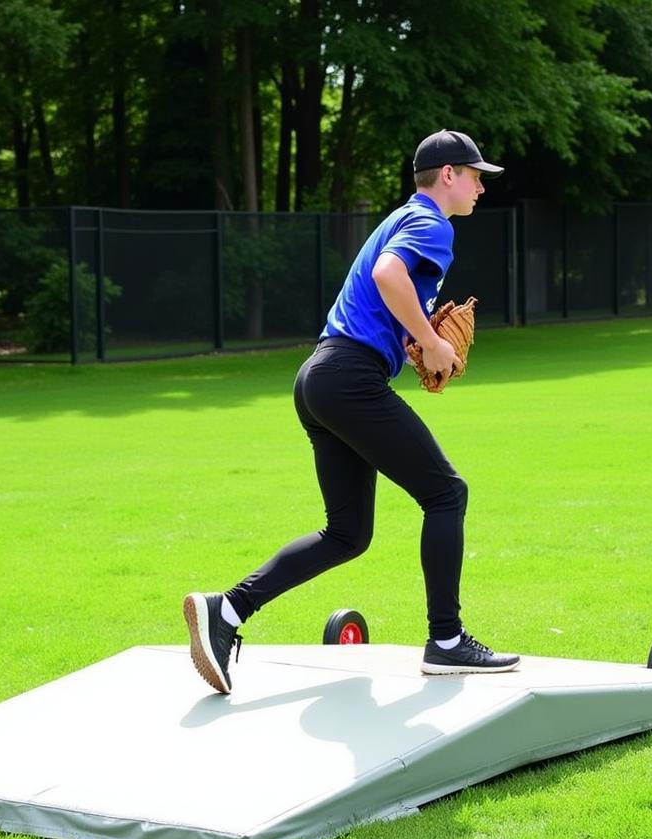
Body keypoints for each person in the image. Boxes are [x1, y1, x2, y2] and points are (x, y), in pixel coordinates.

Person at [184, 129, 520, 693]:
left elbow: (384, 286)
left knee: (346, 534)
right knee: (446, 493)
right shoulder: (433, 223)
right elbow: (389, 276)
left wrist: (409, 337)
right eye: (475, 175)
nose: (481, 187)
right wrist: (431, 342)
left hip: (319, 377)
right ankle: (446, 640)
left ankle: (226, 612)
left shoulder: (404, 216)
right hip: (348, 379)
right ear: (447, 175)